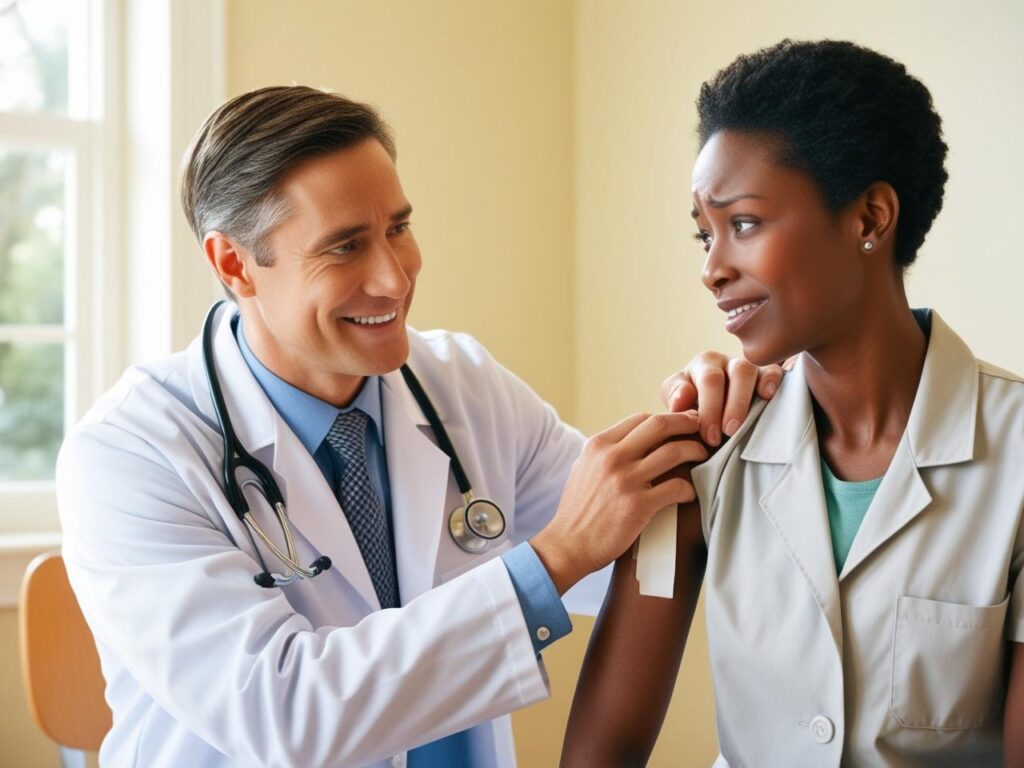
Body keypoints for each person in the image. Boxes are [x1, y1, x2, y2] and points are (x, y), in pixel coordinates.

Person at [56, 86, 777, 768]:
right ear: (234, 264)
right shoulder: (130, 453)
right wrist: (552, 559)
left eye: (398, 228)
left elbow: (637, 543)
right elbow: (285, 714)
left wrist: (719, 432)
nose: (395, 279)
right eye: (345, 246)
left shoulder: (461, 386)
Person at [561, 40, 1024, 767]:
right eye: (703, 233)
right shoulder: (701, 459)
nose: (713, 269)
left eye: (743, 223)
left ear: (871, 218)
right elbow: (598, 754)